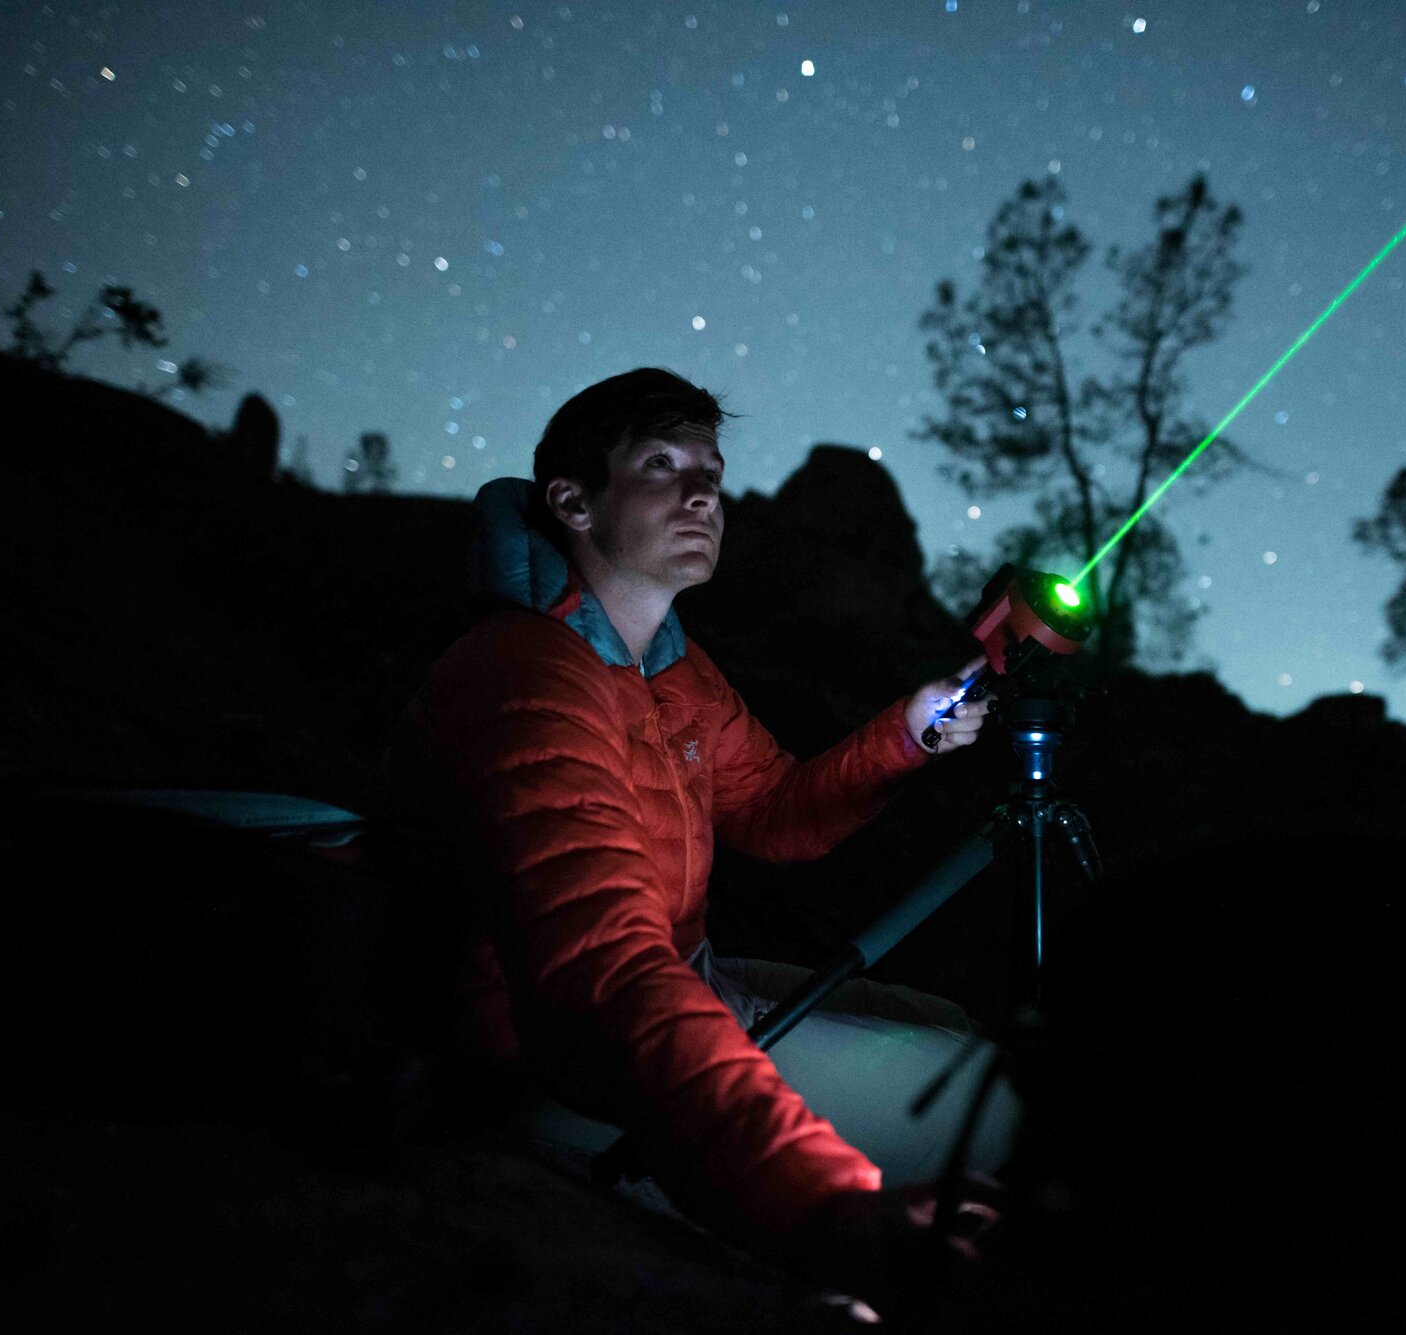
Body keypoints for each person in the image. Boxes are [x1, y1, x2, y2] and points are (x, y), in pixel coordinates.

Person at [385, 366, 1011, 1303]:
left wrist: (904, 734)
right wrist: (830, 1209)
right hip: (554, 1061)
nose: (703, 491)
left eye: (711, 469)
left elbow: (777, 813)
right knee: (988, 1097)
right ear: (575, 502)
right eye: (661, 464)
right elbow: (605, 982)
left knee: (950, 1025)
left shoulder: (675, 670)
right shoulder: (525, 681)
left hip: (685, 974)